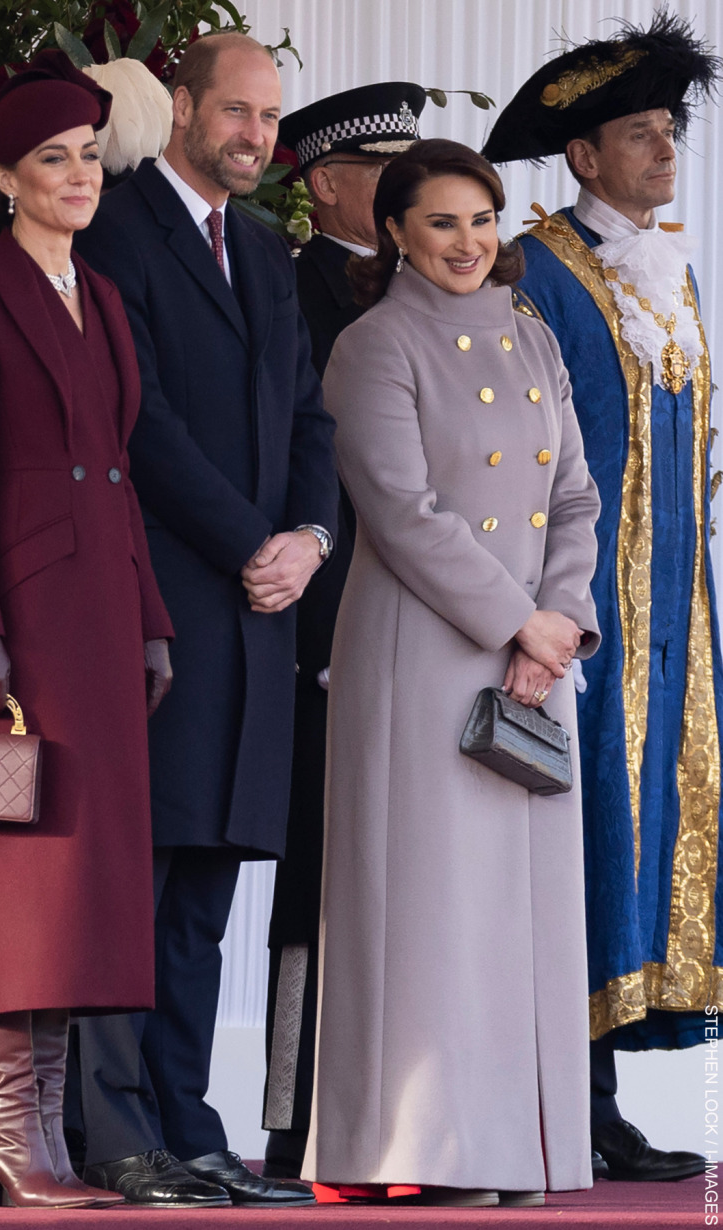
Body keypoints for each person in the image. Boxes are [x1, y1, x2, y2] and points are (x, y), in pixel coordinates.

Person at [305, 138, 601, 1209]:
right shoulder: (373, 346)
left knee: (518, 914)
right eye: (441, 222)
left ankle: (519, 1148)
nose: (468, 242)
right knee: (428, 908)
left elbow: (575, 496)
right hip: (424, 653)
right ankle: (417, 1147)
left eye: (481, 220)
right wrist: (519, 621)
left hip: (532, 653)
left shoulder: (529, 333)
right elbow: (402, 512)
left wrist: (562, 618)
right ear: (393, 231)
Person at [71, 31, 337, 1209]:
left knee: (203, 896)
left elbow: (308, 415)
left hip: (257, 613)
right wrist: (251, 543)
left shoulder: (271, 250)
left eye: (270, 119)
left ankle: (189, 1129)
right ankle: (115, 1136)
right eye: (236, 112)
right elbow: (141, 422)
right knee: (133, 884)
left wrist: (309, 540)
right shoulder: (116, 230)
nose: (256, 137)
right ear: (180, 108)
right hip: (159, 605)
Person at [0, 50, 175, 1209]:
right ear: (6, 181)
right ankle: (11, 1136)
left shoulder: (107, 297)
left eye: (87, 157)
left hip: (104, 620)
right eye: (51, 162)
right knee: (17, 874)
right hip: (19, 629)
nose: (77, 176)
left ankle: (39, 1144)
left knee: (88, 884)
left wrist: (152, 620)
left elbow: (117, 472)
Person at [483, 10, 720, 1183]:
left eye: (667, 128)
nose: (662, 149)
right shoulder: (537, 272)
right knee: (573, 841)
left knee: (645, 837)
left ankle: (603, 1095)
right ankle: (563, 1099)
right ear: (581, 157)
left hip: (673, 617)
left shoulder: (666, 271)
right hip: (580, 614)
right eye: (637, 133)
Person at [261, 81, 426, 1180]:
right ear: (325, 183)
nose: (411, 195)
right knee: (317, 885)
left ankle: (403, 1111)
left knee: (411, 877)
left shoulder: (428, 300)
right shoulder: (291, 291)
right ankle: (294, 1114)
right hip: (326, 628)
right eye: (386, 177)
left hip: (422, 627)